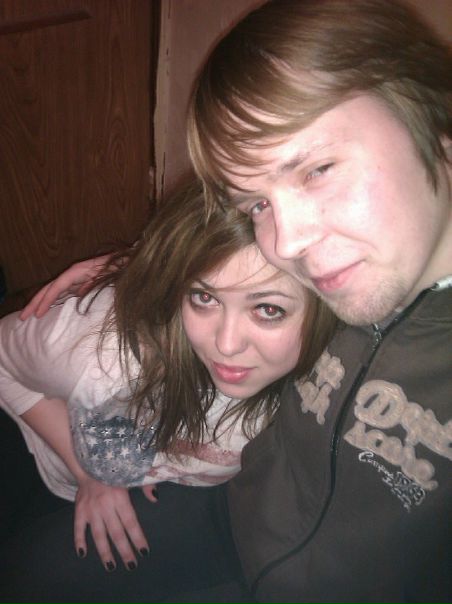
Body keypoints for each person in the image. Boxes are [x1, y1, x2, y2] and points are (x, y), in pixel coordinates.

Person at [8, 0, 452, 602]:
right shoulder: (351, 262)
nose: (286, 244)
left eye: (317, 169)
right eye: (257, 203)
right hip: (228, 512)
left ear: (438, 124)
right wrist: (139, 266)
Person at [0, 182, 334, 601]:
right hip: (37, 445)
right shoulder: (103, 357)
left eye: (268, 309)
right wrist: (90, 476)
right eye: (204, 297)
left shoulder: (329, 378)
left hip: (141, 482)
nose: (226, 344)